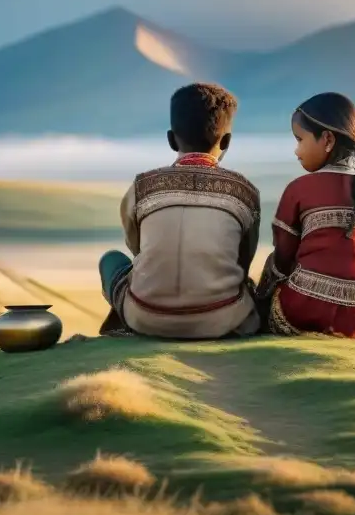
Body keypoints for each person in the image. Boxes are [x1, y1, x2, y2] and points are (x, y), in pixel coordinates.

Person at [98, 83, 261, 339]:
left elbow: (138, 249)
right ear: (227, 141)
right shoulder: (244, 192)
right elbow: (243, 260)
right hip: (223, 321)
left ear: (171, 139)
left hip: (146, 319)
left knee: (111, 260)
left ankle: (124, 326)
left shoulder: (142, 188)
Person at [257, 92, 355, 341]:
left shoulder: (299, 188)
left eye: (299, 139)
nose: (296, 151)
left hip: (310, 310)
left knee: (272, 275)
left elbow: (283, 260)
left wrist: (262, 295)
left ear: (327, 139)